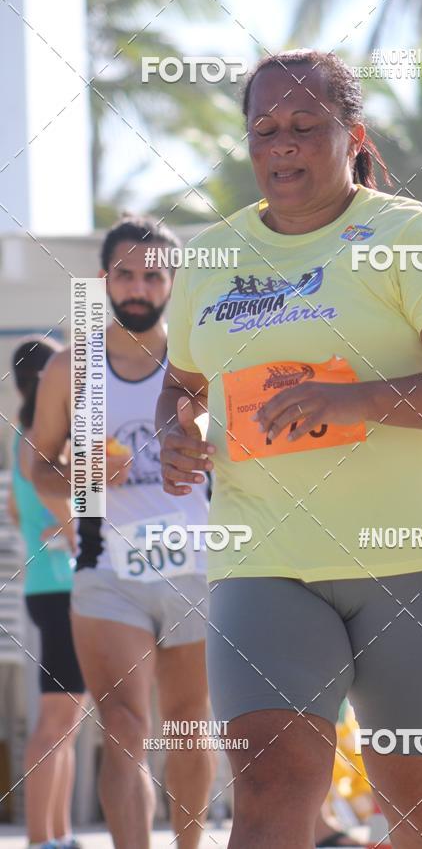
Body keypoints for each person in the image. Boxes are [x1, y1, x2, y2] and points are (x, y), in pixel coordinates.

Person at [156, 48, 422, 849]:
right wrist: (178, 430)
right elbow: (186, 383)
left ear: (354, 136)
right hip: (263, 555)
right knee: (273, 784)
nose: (282, 144)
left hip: (413, 555)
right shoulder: (210, 257)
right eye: (264, 129)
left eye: (305, 126)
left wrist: (362, 400)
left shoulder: (407, 236)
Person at [31, 218, 215, 849]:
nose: (139, 288)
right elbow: (38, 470)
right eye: (126, 274)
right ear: (104, 280)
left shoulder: (203, 360)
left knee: (190, 725)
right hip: (107, 569)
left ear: (174, 283)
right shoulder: (72, 366)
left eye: (155, 275)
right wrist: (77, 475)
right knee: (125, 726)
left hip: (197, 564)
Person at [8, 336, 85, 849]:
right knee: (56, 719)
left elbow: (18, 514)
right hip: (62, 589)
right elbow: (49, 499)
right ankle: (41, 839)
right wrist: (75, 531)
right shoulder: (44, 437)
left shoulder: (22, 435)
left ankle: (59, 835)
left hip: (49, 587)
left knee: (68, 723)